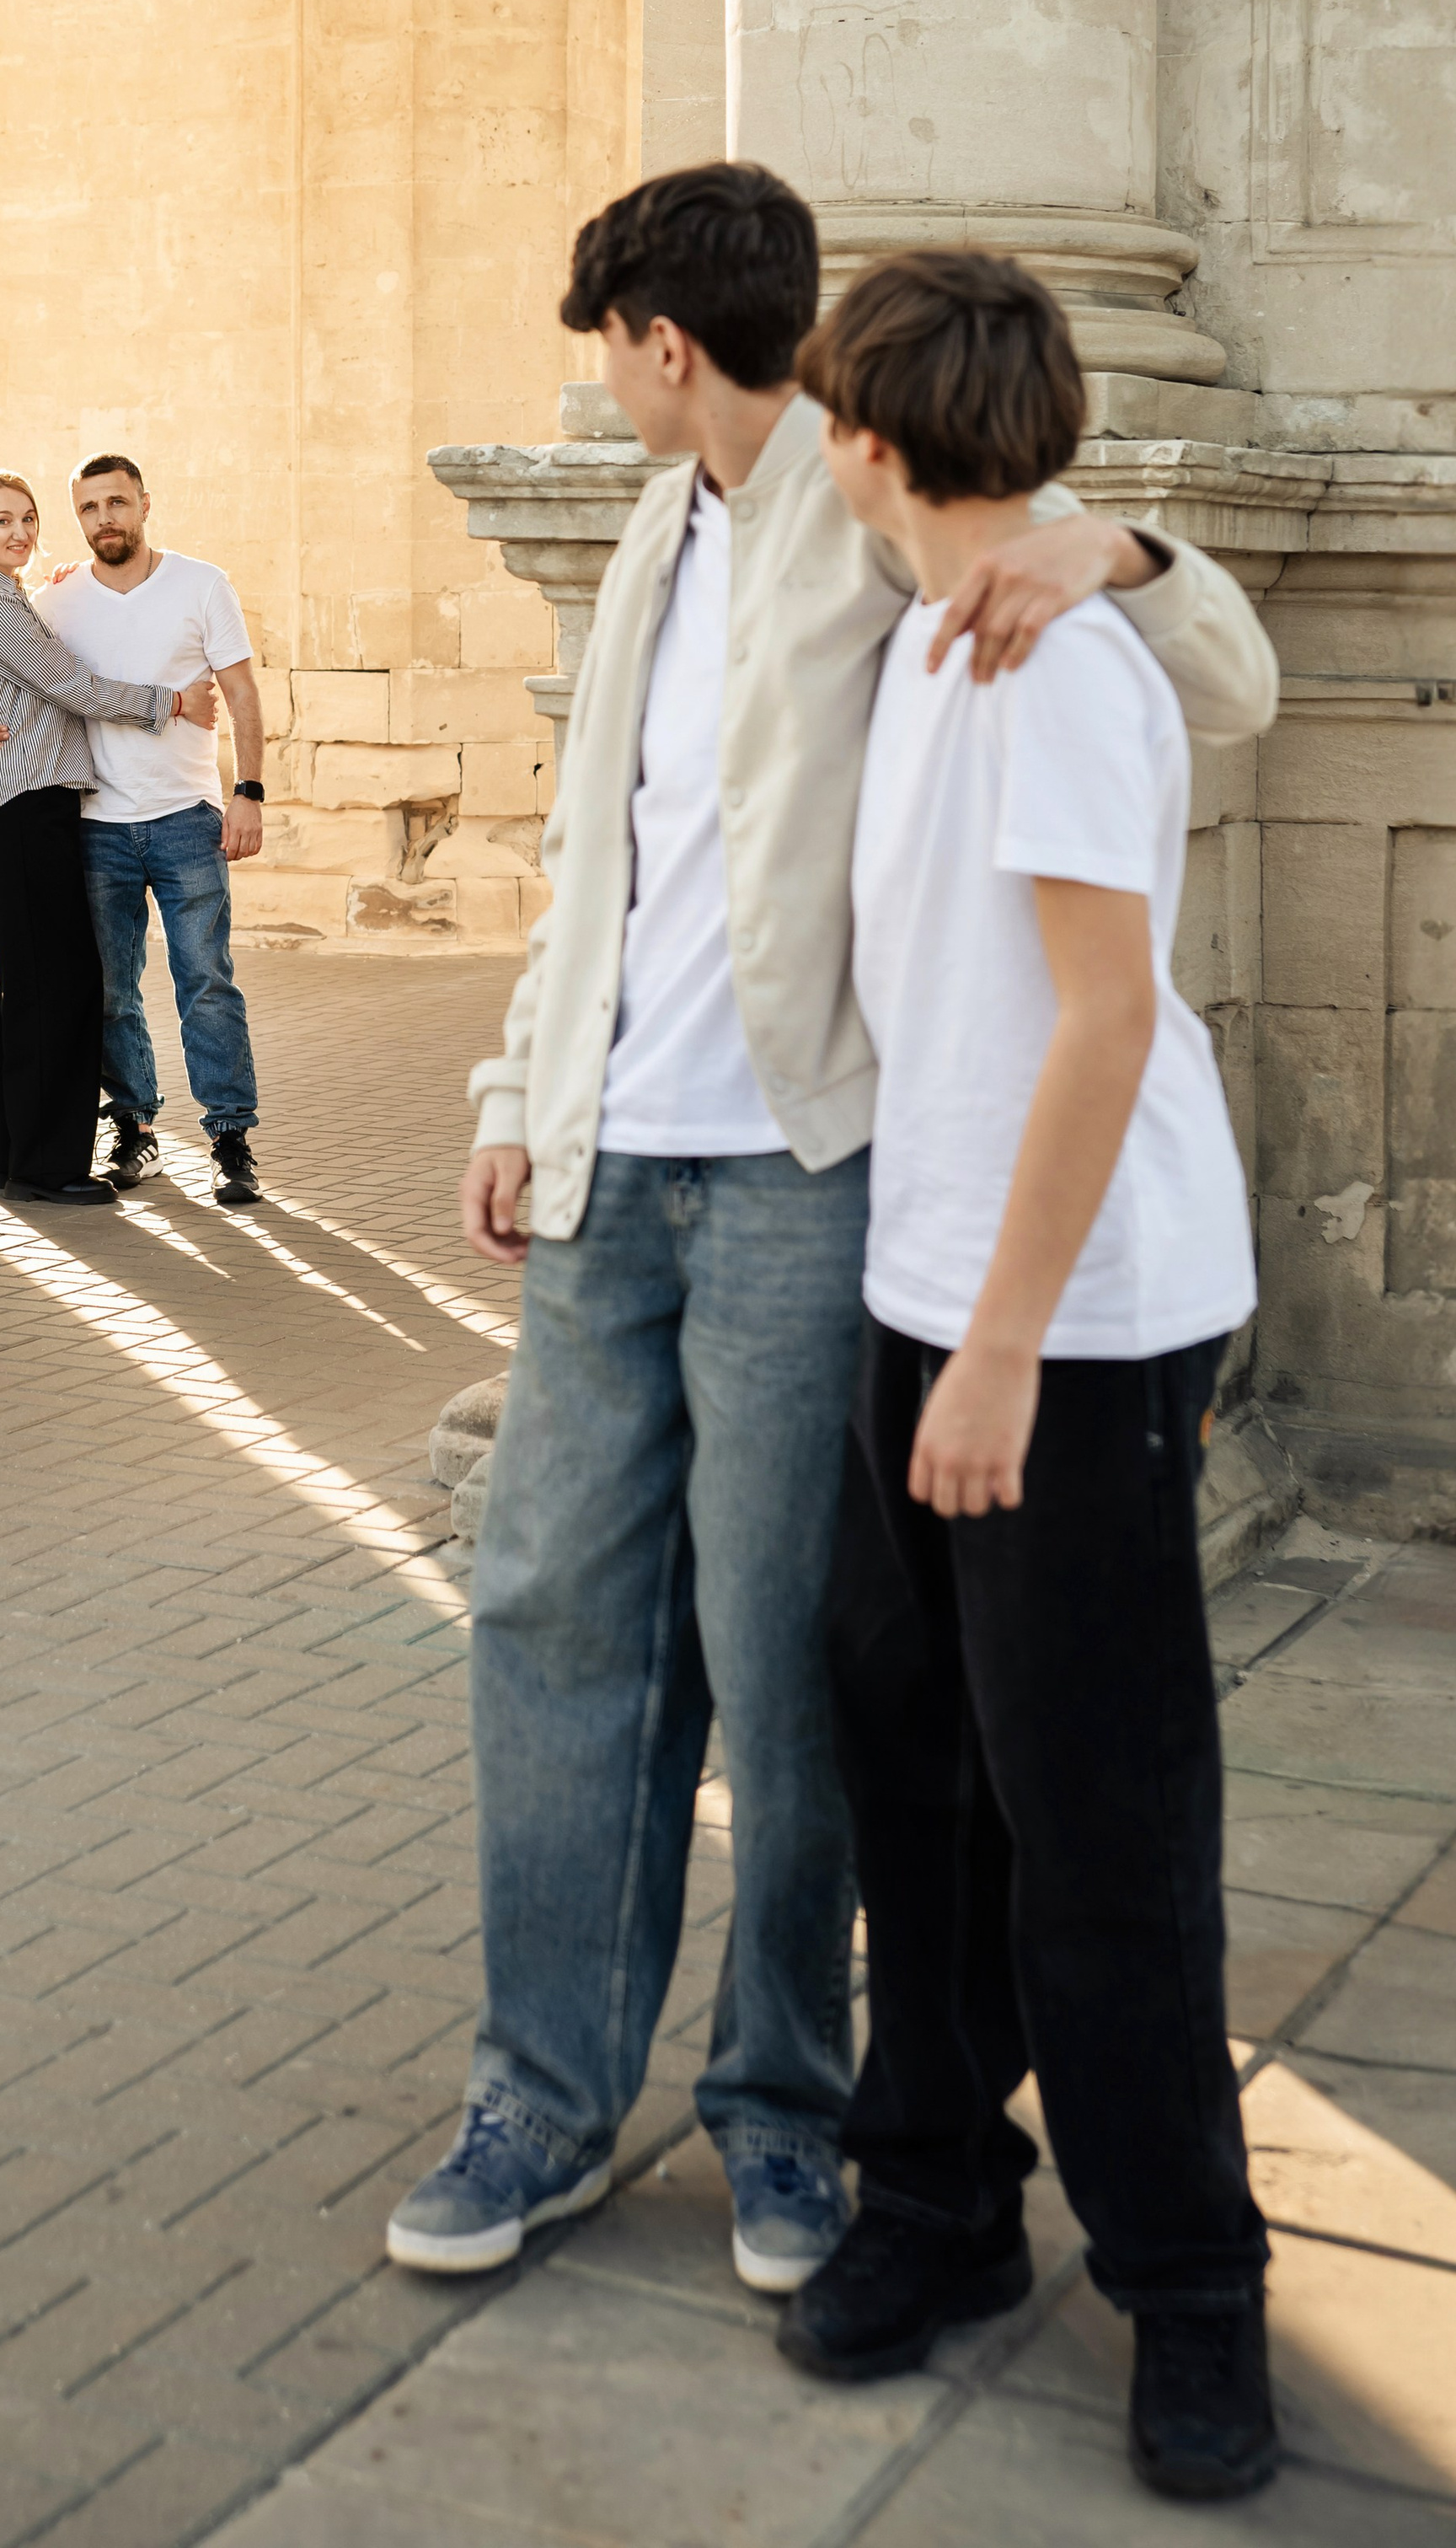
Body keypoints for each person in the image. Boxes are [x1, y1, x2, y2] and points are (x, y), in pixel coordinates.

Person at [383, 165, 1277, 2302]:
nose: (598, 381)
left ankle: (782, 2109)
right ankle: (542, 2089)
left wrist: (1116, 544)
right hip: (609, 1176)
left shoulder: (880, 521)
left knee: (793, 1676)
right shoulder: (645, 533)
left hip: (805, 1184)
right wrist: (518, 1089)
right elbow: (596, 849)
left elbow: (1224, 678)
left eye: (603, 345)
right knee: (551, 1626)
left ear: (660, 345)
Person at [780, 249, 1272, 2501]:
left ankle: (1191, 2290)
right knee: (919, 1781)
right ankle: (943, 2205)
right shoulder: (933, 636)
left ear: (870, 438)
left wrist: (994, 1356)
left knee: (1103, 1819)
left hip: (1066, 1328)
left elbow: (1096, 1019)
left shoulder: (1063, 663)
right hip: (934, 1296)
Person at [0, 453, 268, 1209]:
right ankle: (133, 1128)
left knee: (206, 983)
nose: (106, 518)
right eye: (90, 508)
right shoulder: (55, 600)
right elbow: (17, 679)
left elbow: (241, 691)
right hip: (96, 823)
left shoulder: (202, 583)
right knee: (109, 993)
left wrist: (249, 792)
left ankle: (230, 1141)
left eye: (118, 503)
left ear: (143, 504)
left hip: (186, 818)